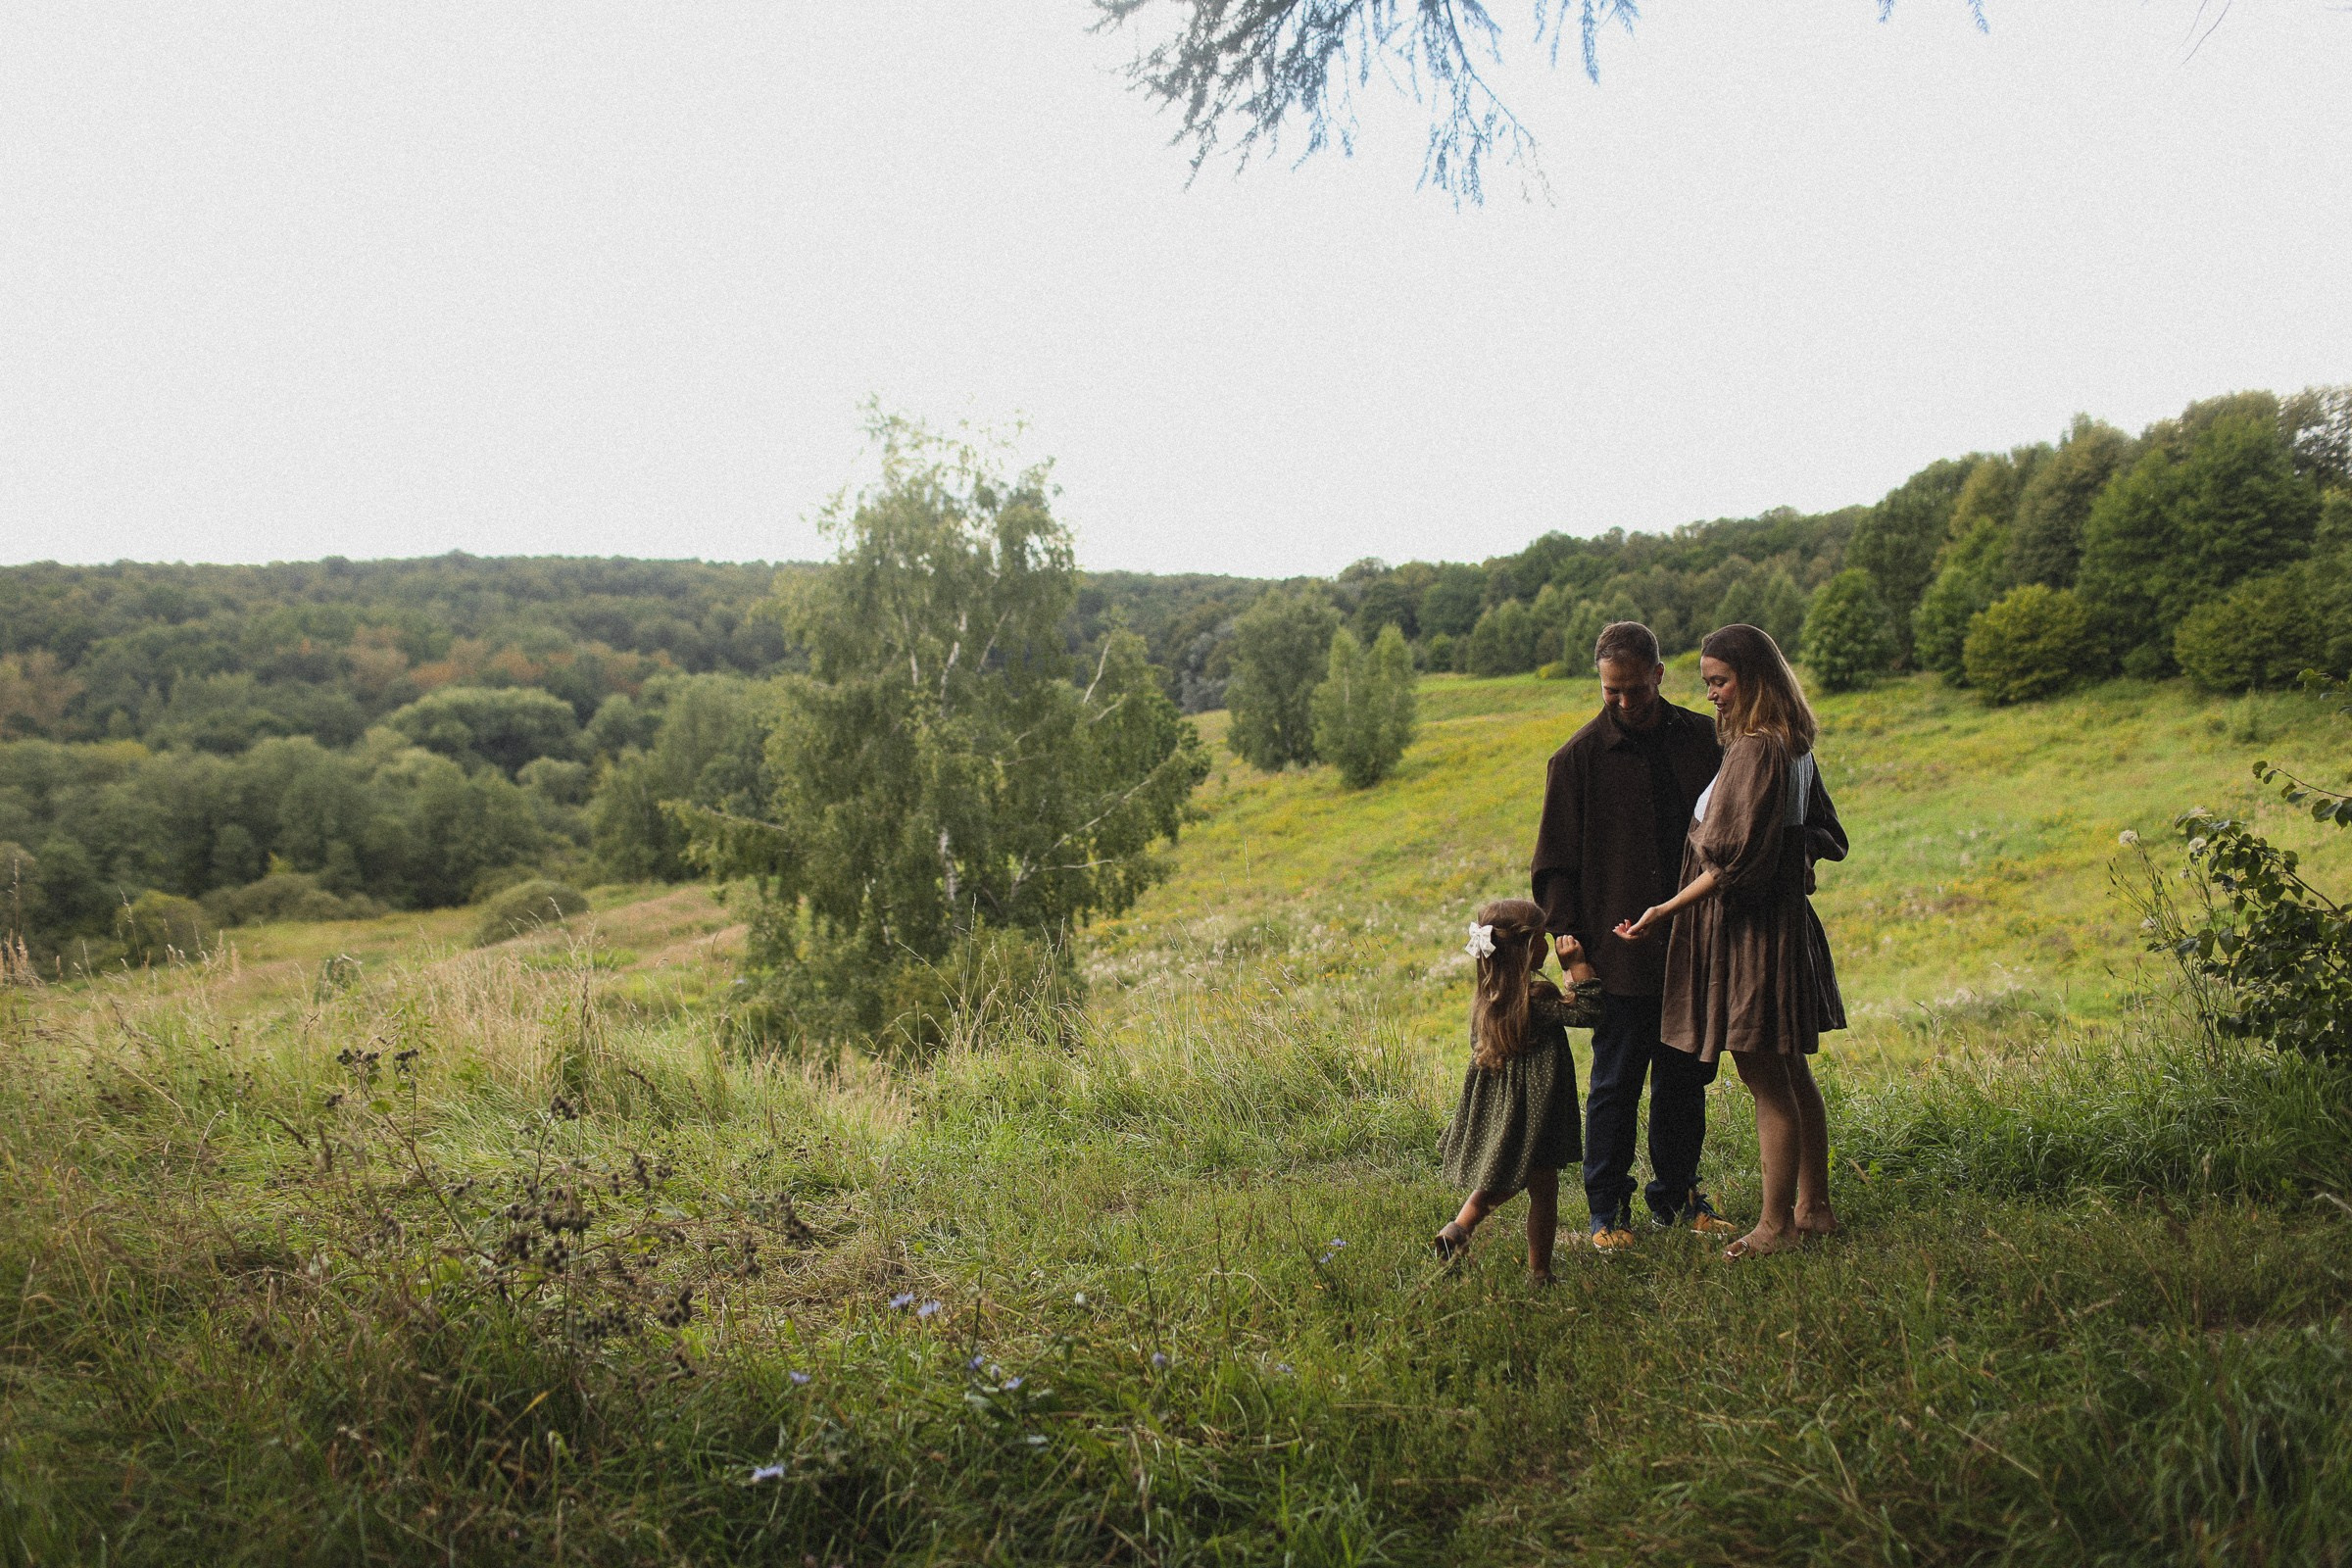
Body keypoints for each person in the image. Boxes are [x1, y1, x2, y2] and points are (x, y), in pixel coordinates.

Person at [1617, 623, 1848, 1260]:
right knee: (1789, 1070)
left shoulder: (1758, 750)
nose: (1712, 694)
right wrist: (1786, 865)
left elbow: (1731, 865)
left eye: (1720, 681)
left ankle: (1775, 1225)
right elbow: (1817, 834)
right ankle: (1815, 1206)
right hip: (1782, 925)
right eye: (1707, 682)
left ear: (1753, 677)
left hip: (1754, 935)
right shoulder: (1794, 745)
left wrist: (1664, 908)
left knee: (1764, 1077)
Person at [1530, 620, 1735, 1251]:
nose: (1620, 702)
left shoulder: (1705, 740)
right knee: (1614, 1084)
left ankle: (1678, 1197)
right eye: (1609, 692)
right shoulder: (1575, 760)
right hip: (1615, 955)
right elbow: (1554, 863)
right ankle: (1607, 1212)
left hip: (1691, 947)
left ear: (1657, 674)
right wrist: (1569, 942)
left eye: (1632, 690)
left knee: (1683, 1079)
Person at [1434, 899, 1603, 1285]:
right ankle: (1540, 1273)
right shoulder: (1537, 1000)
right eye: (1544, 937)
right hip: (1538, 1112)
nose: (1550, 942)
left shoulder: (1487, 1001)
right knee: (1543, 1192)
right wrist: (1575, 965)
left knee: (1499, 1176)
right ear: (1531, 948)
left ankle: (1459, 1227)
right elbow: (1590, 1013)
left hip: (1502, 1110)